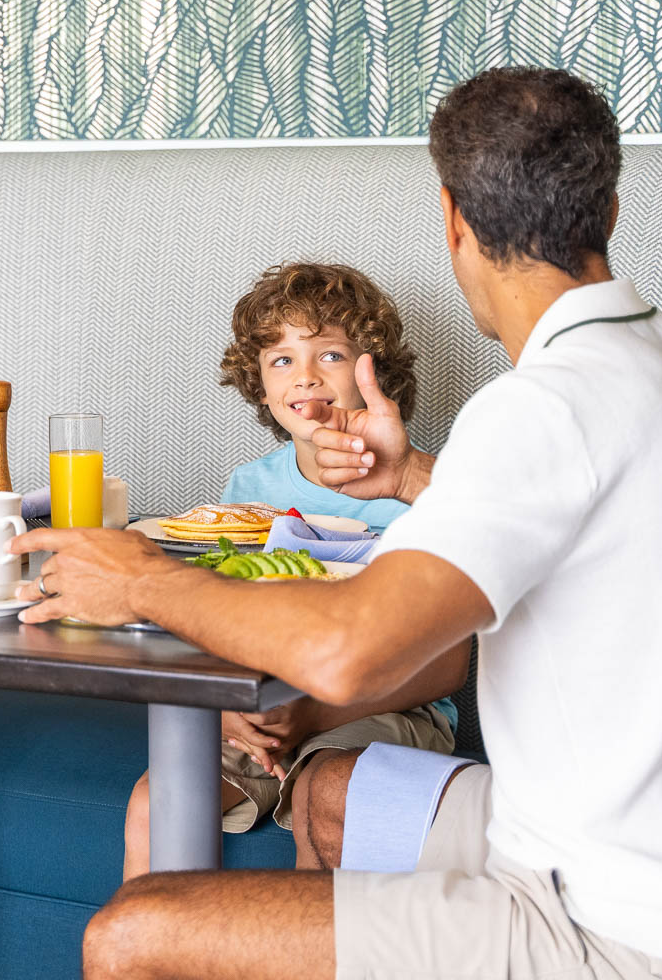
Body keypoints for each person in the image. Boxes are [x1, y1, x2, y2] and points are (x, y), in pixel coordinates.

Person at [14, 67, 662, 980]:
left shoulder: (543, 404)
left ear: (453, 222)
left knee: (131, 935)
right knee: (329, 795)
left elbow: (347, 654)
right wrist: (406, 475)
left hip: (605, 918)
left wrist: (142, 579)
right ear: (610, 207)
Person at [120, 262, 463, 879]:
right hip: (261, 706)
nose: (304, 376)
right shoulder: (248, 488)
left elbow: (442, 661)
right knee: (156, 802)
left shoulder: (419, 485)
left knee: (321, 804)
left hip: (385, 703)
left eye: (329, 354)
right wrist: (221, 704)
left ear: (373, 370)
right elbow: (218, 617)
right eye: (280, 360)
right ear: (257, 383)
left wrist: (315, 716)